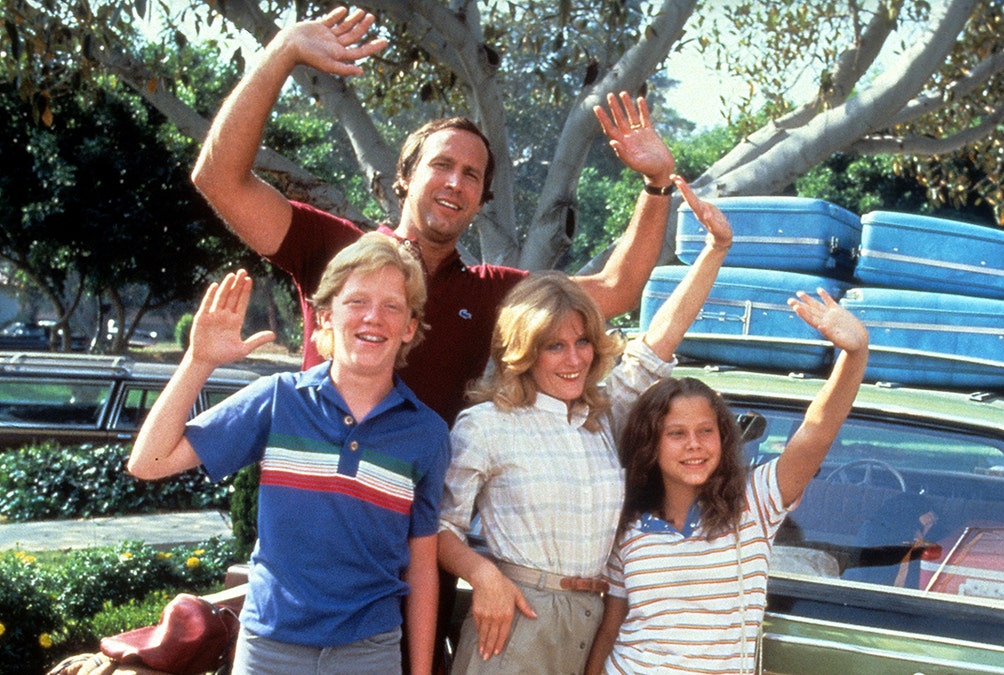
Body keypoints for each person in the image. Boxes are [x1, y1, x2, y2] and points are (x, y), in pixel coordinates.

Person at [191, 5, 677, 425]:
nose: (453, 182)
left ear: (482, 199)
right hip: (316, 503)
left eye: (471, 174)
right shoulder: (335, 249)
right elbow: (219, 179)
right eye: (441, 165)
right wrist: (282, 50)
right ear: (405, 177)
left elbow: (618, 288)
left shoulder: (493, 293)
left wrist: (657, 184)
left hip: (415, 522)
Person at [436, 176, 731, 674]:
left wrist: (715, 250)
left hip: (593, 623)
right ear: (523, 352)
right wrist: (482, 576)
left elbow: (658, 343)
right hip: (516, 617)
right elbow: (440, 527)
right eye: (554, 346)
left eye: (582, 342)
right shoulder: (485, 425)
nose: (573, 359)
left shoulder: (604, 416)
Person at [126, 233, 449, 674]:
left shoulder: (426, 432)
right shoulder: (278, 400)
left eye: (392, 305)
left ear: (410, 326)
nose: (374, 317)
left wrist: (421, 671)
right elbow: (148, 462)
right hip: (269, 649)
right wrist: (199, 360)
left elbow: (423, 567)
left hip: (370, 654)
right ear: (327, 315)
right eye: (356, 301)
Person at [584, 289, 869, 675]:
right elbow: (611, 630)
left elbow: (816, 432)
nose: (694, 446)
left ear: (723, 437)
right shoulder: (631, 526)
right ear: (650, 445)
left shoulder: (755, 503)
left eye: (706, 430)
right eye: (676, 434)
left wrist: (855, 354)